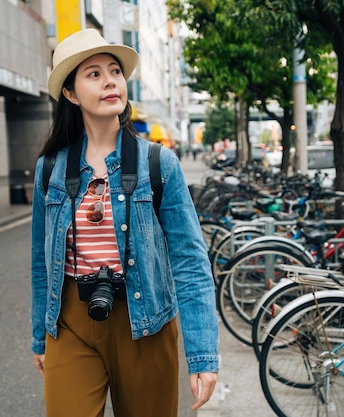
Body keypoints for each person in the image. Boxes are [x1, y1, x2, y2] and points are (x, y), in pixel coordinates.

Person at [30, 28, 219, 417]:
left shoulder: (158, 163)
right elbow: (40, 260)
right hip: (71, 323)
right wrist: (39, 336)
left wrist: (202, 354)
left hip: (145, 321)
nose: (110, 80)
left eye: (114, 70)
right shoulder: (49, 168)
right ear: (70, 93)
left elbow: (189, 259)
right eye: (94, 74)